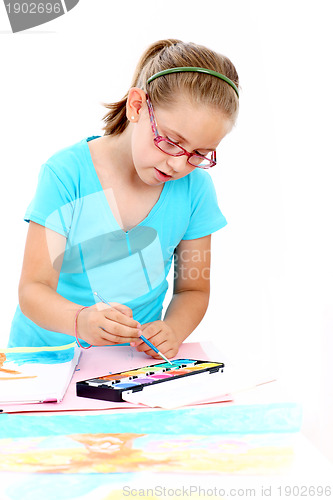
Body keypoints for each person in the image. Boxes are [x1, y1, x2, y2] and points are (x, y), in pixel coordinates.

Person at [8, 39, 239, 359]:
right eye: (171, 141)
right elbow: (33, 289)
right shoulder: (65, 174)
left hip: (130, 366)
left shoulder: (195, 191)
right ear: (136, 106)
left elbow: (193, 289)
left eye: (198, 154)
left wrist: (173, 328)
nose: (178, 164)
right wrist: (79, 321)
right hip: (42, 362)